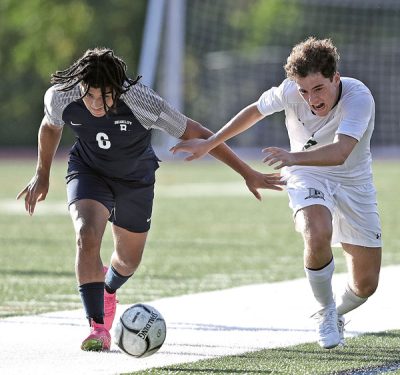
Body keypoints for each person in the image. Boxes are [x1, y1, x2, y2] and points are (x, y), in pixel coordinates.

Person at [17, 48, 283, 352]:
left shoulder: (142, 101)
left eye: (103, 96)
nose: (95, 103)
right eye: (89, 95)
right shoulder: (61, 96)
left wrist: (247, 172)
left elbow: (200, 133)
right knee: (86, 234)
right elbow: (50, 126)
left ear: (117, 89)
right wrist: (42, 173)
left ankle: (109, 288)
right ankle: (98, 328)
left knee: (128, 261)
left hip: (135, 180)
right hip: (89, 171)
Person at [171, 37, 382, 349]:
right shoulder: (289, 91)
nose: (311, 99)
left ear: (335, 78)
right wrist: (209, 142)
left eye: (319, 89)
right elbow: (255, 111)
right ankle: (324, 313)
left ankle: (336, 312)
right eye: (304, 91)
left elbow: (340, 151)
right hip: (307, 172)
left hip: (353, 181)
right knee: (316, 231)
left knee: (365, 285)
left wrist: (292, 156)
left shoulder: (358, 96)